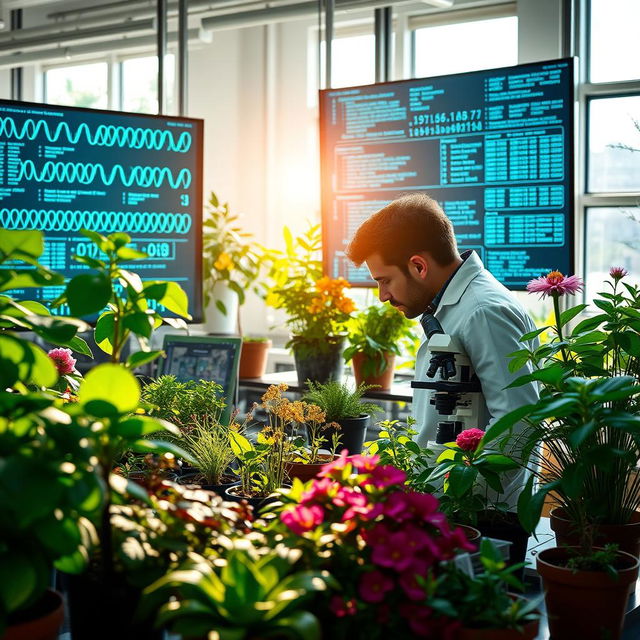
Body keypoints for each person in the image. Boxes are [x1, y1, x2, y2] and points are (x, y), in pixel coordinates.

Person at [346, 193, 539, 505]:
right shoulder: (450, 306)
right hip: (450, 506)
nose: (382, 295)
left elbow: (519, 424)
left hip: (480, 515)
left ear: (419, 266)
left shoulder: (483, 312)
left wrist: (459, 500)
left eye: (385, 281)